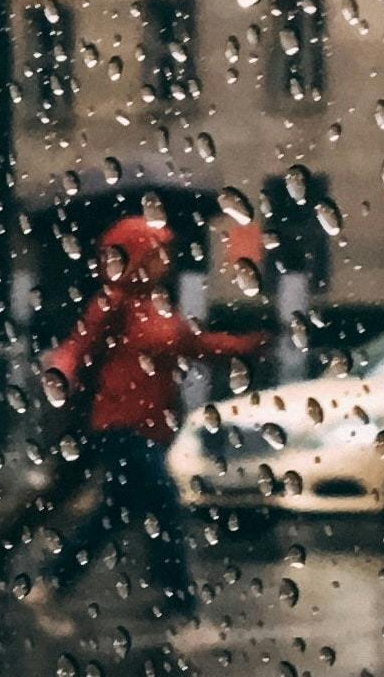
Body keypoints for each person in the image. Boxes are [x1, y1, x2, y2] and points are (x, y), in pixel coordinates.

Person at [44, 215, 259, 623]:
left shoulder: (158, 306)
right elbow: (77, 345)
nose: (166, 261)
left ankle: (52, 580)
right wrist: (61, 373)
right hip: (118, 426)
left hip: (152, 428)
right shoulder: (114, 303)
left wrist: (245, 346)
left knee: (112, 515)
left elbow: (192, 345)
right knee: (164, 501)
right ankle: (181, 604)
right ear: (137, 255)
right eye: (157, 252)